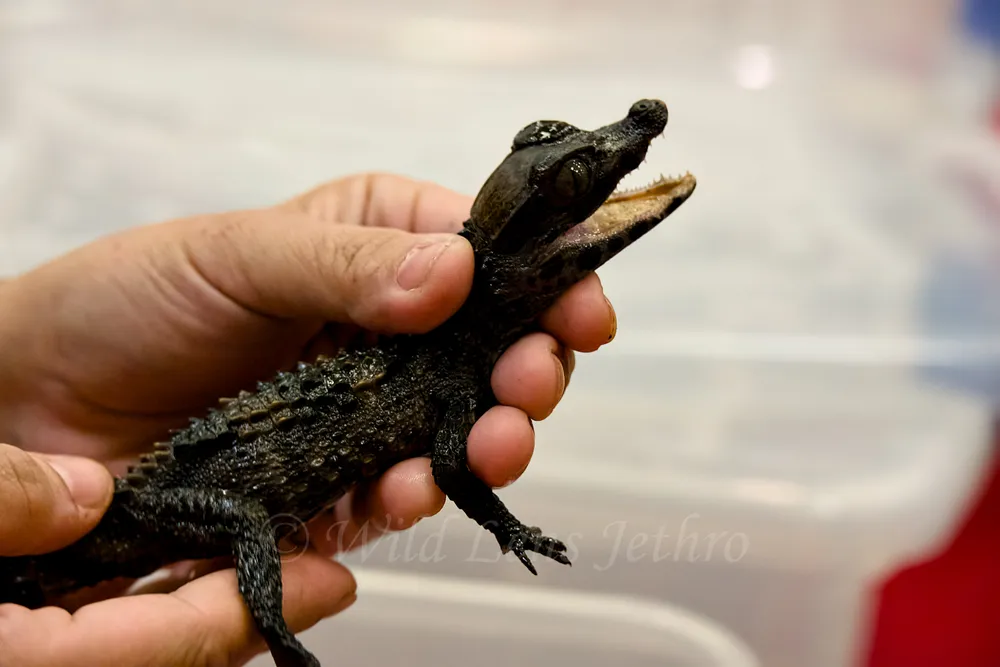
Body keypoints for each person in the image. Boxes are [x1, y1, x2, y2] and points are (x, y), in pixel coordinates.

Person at [0, 173, 617, 666]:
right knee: (245, 519)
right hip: (164, 501)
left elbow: (454, 469)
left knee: (260, 523)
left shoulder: (451, 375)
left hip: (176, 499)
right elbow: (452, 469)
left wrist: (505, 528)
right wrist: (508, 527)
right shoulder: (449, 375)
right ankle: (275, 630)